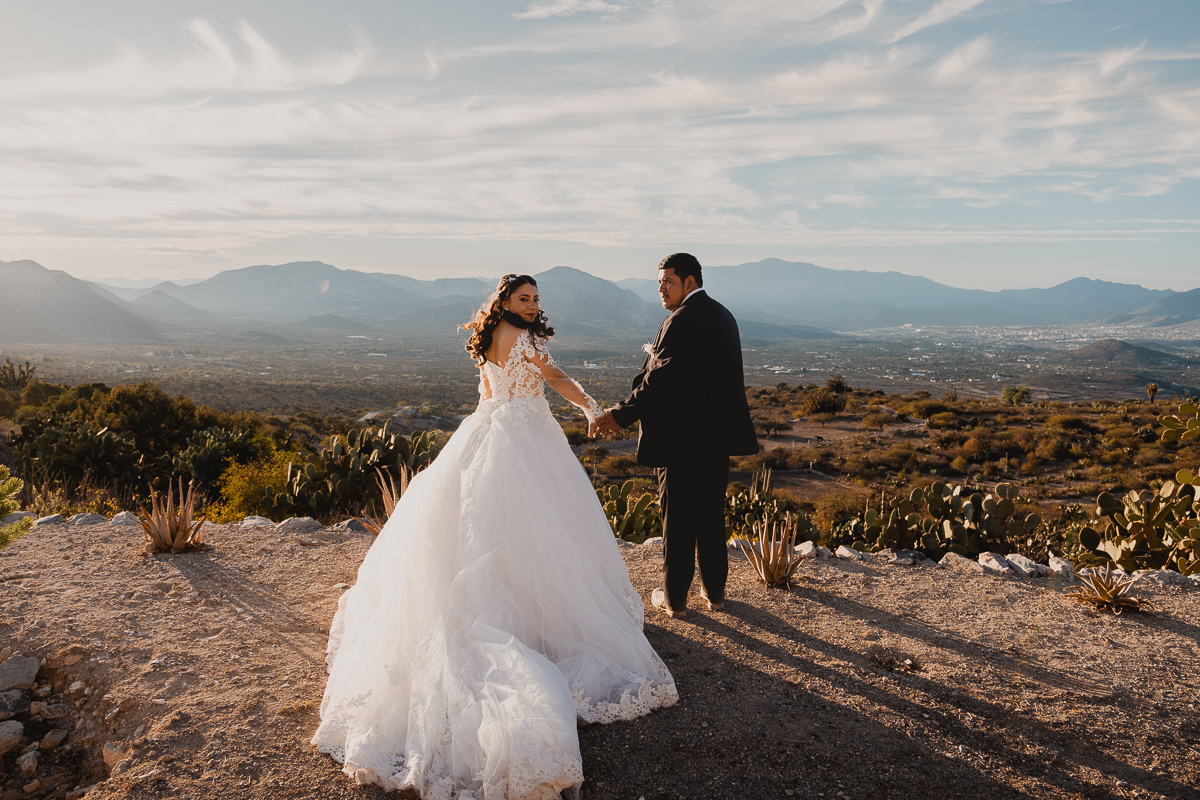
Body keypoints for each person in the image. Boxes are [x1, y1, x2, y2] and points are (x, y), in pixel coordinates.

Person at [312, 274, 677, 799]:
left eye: (535, 300)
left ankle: (503, 609)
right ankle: (536, 626)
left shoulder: (487, 340)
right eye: (523, 299)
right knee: (540, 532)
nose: (532, 307)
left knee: (480, 531)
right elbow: (557, 379)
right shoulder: (528, 342)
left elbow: (489, 393)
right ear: (504, 301)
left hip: (486, 432)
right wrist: (592, 405)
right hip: (526, 439)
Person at [591, 253, 757, 619]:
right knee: (710, 518)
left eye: (668, 281)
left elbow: (659, 382)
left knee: (678, 520)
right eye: (659, 282)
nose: (662, 289)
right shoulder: (723, 315)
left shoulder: (680, 320)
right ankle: (715, 594)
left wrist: (618, 415)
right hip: (715, 440)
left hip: (681, 441)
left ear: (690, 282)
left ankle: (675, 600)